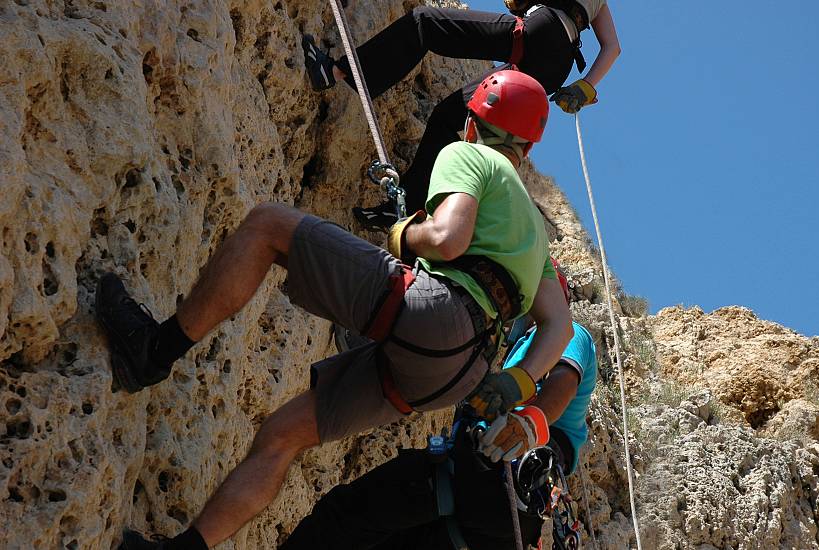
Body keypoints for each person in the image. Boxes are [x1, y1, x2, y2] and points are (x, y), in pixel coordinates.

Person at [106, 70, 573, 550]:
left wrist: (404, 235)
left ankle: (153, 351)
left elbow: (446, 239)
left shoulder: (470, 155)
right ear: (527, 148)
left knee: (267, 226)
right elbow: (559, 325)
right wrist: (517, 381)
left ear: (473, 121)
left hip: (437, 316)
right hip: (457, 373)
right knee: (283, 435)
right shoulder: (538, 237)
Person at [277, 276, 598, 550]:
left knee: (344, 516)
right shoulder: (517, 351)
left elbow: (564, 381)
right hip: (497, 509)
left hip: (492, 476)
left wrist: (530, 422)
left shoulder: (569, 332)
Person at [302, 0, 621, 229]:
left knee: (424, 23)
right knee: (448, 118)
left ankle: (335, 72)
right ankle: (406, 208)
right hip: (555, 67)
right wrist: (585, 86)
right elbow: (612, 47)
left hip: (539, 31)